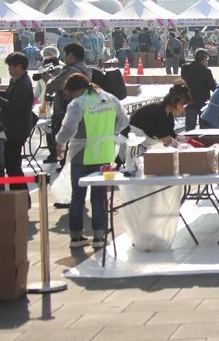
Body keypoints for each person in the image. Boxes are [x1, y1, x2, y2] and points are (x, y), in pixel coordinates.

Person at [55, 73, 129, 249]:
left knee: (77, 197)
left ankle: (76, 237)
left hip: (81, 154)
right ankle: (99, 236)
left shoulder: (78, 103)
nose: (71, 97)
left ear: (76, 90)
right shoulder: (110, 99)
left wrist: (60, 143)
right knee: (99, 197)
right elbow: (124, 121)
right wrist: (108, 134)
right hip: (105, 155)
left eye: (71, 93)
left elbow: (69, 127)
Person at [44, 42, 92, 164]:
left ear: (71, 55)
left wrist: (47, 79)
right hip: (83, 109)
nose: (64, 58)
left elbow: (52, 87)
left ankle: (67, 164)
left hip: (67, 110)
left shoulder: (71, 71)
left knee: (68, 141)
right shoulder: (86, 68)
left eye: (65, 54)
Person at [0, 52, 35, 191]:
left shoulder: (24, 84)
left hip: (17, 129)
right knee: (11, 164)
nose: (9, 69)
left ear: (19, 66)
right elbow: (9, 97)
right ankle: (18, 196)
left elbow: (15, 107)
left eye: (10, 66)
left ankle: (22, 196)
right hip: (12, 128)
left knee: (13, 164)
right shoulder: (16, 80)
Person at [129, 81, 192, 147]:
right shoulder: (158, 112)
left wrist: (189, 141)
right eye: (182, 105)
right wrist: (184, 148)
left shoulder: (169, 115)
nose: (183, 109)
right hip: (132, 140)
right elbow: (165, 139)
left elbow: (172, 135)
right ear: (173, 101)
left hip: (142, 142)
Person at [180, 49, 216, 131]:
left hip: (189, 101)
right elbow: (213, 87)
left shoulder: (186, 68)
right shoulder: (206, 71)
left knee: (189, 128)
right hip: (202, 102)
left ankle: (188, 143)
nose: (207, 61)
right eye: (207, 59)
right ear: (203, 59)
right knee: (203, 128)